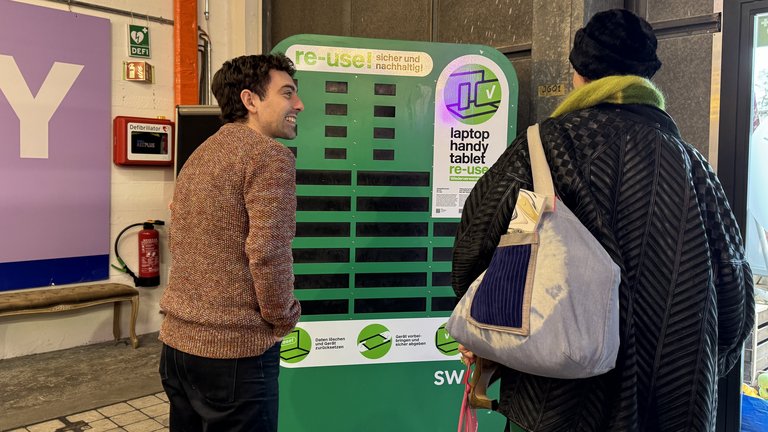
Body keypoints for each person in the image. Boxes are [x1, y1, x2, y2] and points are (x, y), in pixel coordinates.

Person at [453, 9, 754, 432]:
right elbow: (735, 305)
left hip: (556, 404)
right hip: (670, 409)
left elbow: (472, 249)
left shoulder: (544, 148)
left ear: (578, 74)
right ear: (647, 77)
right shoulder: (694, 167)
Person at [159, 53, 303, 432]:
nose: (299, 104)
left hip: (177, 347)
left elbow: (182, 238)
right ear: (250, 100)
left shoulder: (202, 154)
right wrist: (283, 316)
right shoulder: (269, 156)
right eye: (287, 93)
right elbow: (268, 252)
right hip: (234, 354)